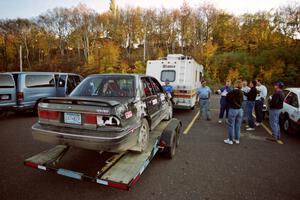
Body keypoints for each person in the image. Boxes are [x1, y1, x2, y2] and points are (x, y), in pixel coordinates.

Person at [224, 80, 244, 145]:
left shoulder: (231, 92)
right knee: (238, 125)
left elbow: (227, 99)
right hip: (240, 110)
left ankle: (230, 140)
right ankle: (237, 139)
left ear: (235, 84)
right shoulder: (241, 92)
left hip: (233, 109)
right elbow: (242, 100)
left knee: (231, 125)